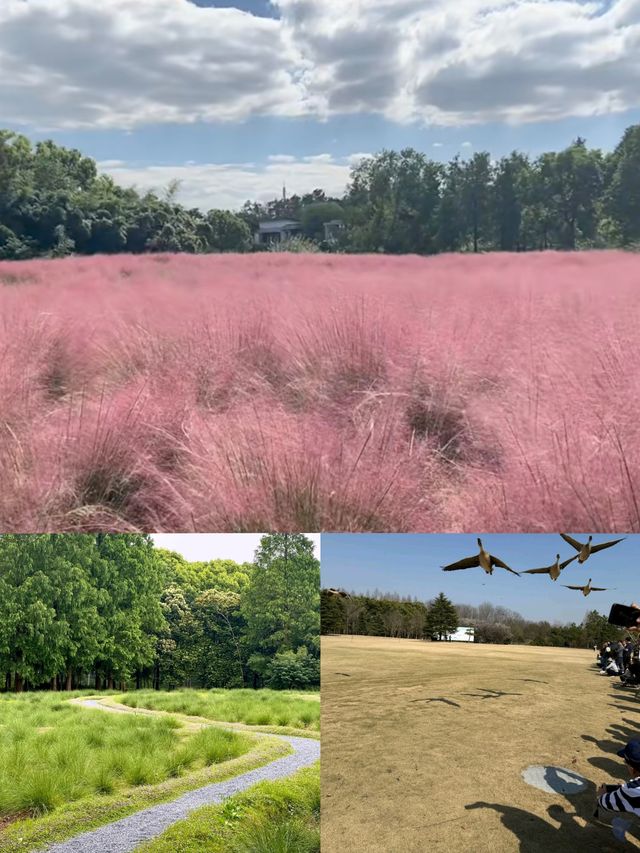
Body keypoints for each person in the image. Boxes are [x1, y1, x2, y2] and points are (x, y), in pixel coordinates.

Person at [597, 740, 640, 818]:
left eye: (625, 762)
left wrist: (601, 794)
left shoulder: (632, 788)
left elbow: (604, 803)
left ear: (632, 769)